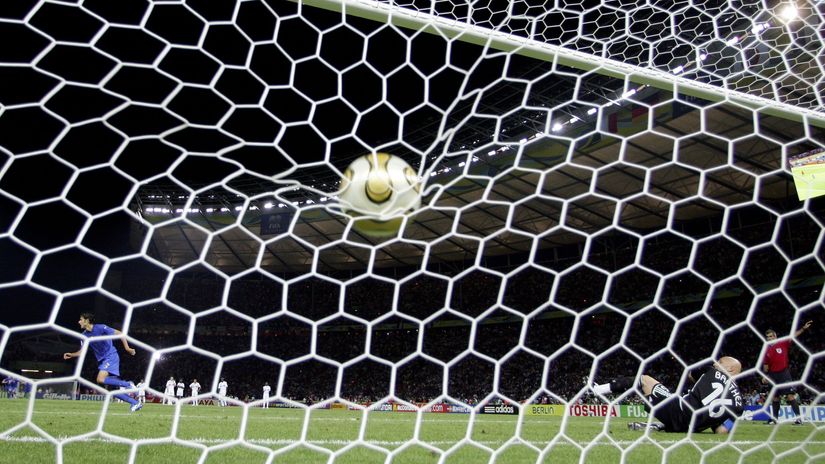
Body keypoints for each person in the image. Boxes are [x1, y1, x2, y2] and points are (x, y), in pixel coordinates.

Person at [592, 356, 744, 434]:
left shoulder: (711, 370)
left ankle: (598, 390)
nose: (716, 363)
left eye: (720, 361)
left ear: (730, 369)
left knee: (644, 380)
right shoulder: (739, 405)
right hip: (690, 428)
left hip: (679, 410)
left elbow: (691, 375)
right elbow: (722, 431)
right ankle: (658, 426)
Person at [62, 313, 142, 412]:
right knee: (113, 391)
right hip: (103, 360)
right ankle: (135, 403)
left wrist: (127, 348)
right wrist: (72, 354)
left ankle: (128, 384)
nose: (79, 322)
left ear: (87, 321)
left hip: (111, 356)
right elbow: (82, 352)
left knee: (100, 379)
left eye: (81, 319)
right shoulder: (84, 336)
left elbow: (120, 333)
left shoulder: (101, 328)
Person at [763, 320, 812, 425]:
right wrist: (765, 375)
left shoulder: (783, 343)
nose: (770, 338)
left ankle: (799, 419)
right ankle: (775, 419)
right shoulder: (766, 350)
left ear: (775, 336)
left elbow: (793, 336)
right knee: (775, 397)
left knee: (790, 396)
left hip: (783, 373)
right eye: (768, 337)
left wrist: (803, 328)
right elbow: (766, 365)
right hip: (772, 375)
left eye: (771, 336)